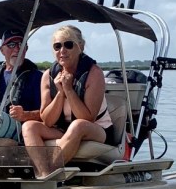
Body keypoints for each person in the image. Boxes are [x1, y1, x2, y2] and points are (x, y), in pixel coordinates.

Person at [21, 25, 116, 174]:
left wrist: (69, 90)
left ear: (81, 47)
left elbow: (87, 118)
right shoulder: (48, 76)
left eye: (68, 45)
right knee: (29, 126)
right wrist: (60, 93)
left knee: (78, 125)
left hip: (97, 129)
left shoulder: (94, 73)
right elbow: (47, 120)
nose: (62, 51)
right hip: (63, 129)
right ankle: (44, 174)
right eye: (57, 46)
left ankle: (51, 172)